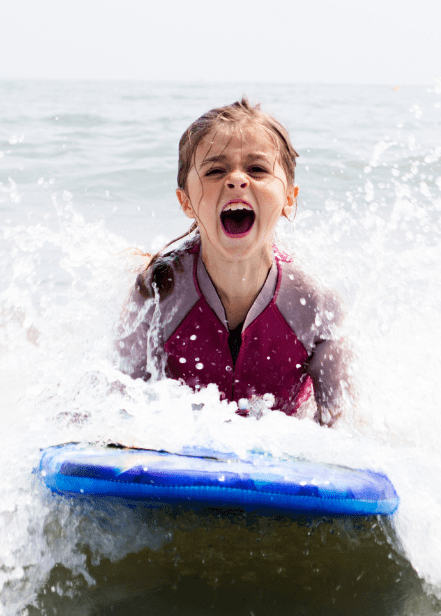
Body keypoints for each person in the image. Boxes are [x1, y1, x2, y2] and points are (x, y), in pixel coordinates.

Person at [116, 98, 348, 426]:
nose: (237, 180)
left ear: (289, 197)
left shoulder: (314, 305)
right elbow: (121, 404)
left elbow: (339, 425)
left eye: (257, 169)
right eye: (215, 170)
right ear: (186, 202)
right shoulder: (157, 292)